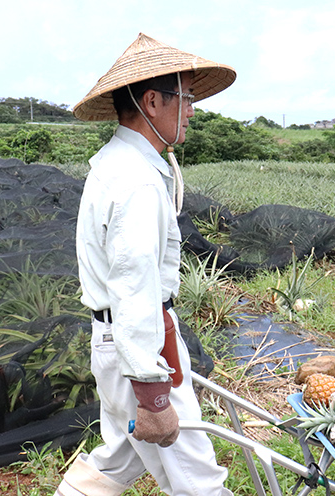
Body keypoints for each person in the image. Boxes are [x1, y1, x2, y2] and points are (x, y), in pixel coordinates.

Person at [54, 33, 236, 496]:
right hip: (140, 344)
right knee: (197, 478)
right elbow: (134, 287)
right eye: (188, 98)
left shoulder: (120, 163)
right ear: (153, 101)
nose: (193, 110)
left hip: (121, 340)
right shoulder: (135, 181)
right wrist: (153, 391)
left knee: (119, 458)